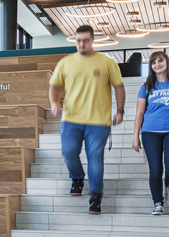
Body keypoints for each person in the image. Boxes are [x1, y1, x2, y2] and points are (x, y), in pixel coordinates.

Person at [48, 24, 126, 215]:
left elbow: (119, 87)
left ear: (93, 41)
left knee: (95, 157)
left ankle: (96, 196)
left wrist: (120, 111)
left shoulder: (106, 63)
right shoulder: (65, 62)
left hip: (99, 121)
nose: (82, 44)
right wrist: (54, 103)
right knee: (69, 152)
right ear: (76, 41)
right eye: (79, 40)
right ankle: (77, 178)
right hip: (71, 119)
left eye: (86, 40)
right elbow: (54, 85)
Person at [132, 50, 169, 215]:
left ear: (167, 63)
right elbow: (139, 114)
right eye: (153, 62)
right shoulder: (145, 87)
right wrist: (135, 136)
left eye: (160, 61)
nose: (157, 64)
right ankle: (158, 202)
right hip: (150, 131)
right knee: (155, 168)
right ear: (151, 66)